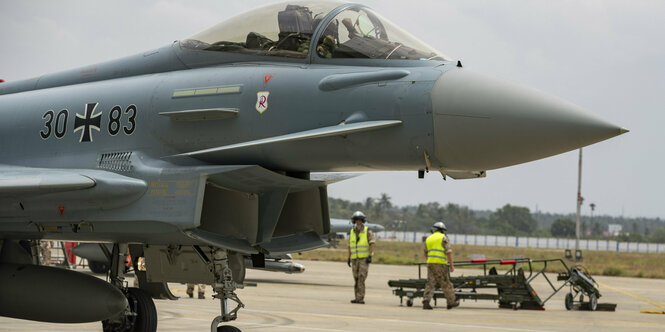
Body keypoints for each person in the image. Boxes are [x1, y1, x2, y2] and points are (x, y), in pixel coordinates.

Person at [422, 221, 459, 310]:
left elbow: (425, 253)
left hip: (430, 263)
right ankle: (451, 302)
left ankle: (426, 301)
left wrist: (430, 261)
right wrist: (451, 265)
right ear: (442, 230)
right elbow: (448, 252)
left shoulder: (429, 238)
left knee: (430, 283)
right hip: (441, 264)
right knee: (446, 283)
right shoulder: (443, 238)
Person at [347, 211, 375, 304]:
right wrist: (348, 258)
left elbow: (372, 243)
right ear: (354, 221)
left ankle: (360, 298)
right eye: (356, 220)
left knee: (361, 278)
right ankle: (356, 297)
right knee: (356, 278)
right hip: (354, 259)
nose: (358, 222)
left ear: (362, 221)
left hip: (364, 259)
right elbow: (350, 246)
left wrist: (370, 256)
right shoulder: (352, 231)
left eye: (360, 220)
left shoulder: (367, 231)